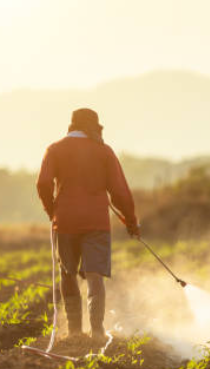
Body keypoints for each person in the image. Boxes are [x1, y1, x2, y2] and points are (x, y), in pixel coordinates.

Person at [36, 108, 139, 340]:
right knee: (95, 276)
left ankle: (74, 331)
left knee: (67, 273)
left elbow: (43, 183)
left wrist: (52, 210)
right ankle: (97, 331)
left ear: (72, 126)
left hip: (65, 222)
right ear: (92, 127)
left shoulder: (54, 149)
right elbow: (120, 192)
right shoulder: (104, 151)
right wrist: (131, 222)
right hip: (96, 223)